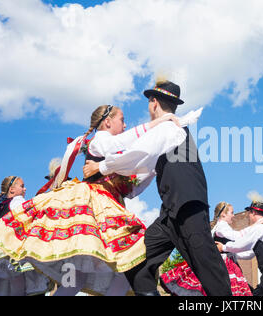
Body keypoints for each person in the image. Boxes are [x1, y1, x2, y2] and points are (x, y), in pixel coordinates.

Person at [0, 104, 186, 296]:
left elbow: (133, 184)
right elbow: (121, 143)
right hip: (95, 206)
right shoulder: (100, 141)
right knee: (124, 266)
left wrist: (155, 161)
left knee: (100, 274)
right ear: (108, 122)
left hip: (111, 208)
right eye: (122, 120)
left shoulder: (115, 152)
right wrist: (158, 123)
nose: (126, 125)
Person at [86, 79, 233, 296]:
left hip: (187, 206)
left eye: (149, 103)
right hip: (169, 214)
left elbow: (136, 154)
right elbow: (145, 168)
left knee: (206, 262)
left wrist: (101, 166)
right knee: (136, 262)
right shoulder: (166, 130)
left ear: (154, 103)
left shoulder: (167, 128)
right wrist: (128, 188)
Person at [159, 202, 253, 296]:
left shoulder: (218, 228)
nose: (233, 215)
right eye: (231, 213)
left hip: (226, 263)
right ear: (223, 214)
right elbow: (235, 236)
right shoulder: (222, 226)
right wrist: (255, 228)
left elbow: (235, 251)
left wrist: (255, 249)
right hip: (223, 265)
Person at [216, 195, 263, 296]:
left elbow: (242, 243)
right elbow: (250, 252)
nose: (248, 215)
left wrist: (224, 247)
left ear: (253, 212)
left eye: (249, 213)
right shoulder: (262, 228)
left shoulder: (260, 229)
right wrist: (232, 254)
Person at [0, 176, 51, 296]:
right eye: (22, 186)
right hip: (16, 252)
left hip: (2, 253)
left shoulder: (2, 207)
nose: (25, 189)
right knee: (22, 288)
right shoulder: (18, 201)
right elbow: (32, 216)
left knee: (9, 288)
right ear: (12, 190)